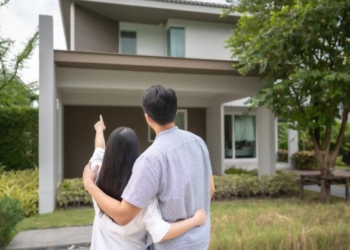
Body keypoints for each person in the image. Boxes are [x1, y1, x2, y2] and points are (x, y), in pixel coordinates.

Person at [83, 86, 215, 250]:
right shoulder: (199, 142)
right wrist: (194, 218)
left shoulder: (150, 159)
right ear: (176, 112)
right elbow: (210, 188)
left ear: (147, 117)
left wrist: (89, 184)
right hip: (201, 241)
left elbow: (123, 215)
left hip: (174, 245)